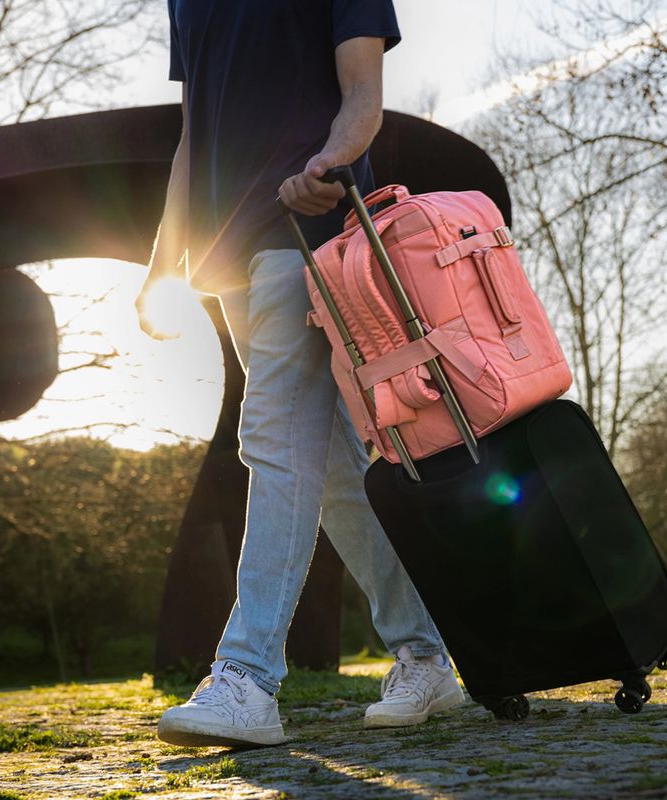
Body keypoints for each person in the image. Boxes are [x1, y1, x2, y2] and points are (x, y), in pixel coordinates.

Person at [137, 0, 464, 748]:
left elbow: (362, 94)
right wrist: (163, 262)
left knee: (274, 439)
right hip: (224, 255)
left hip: (305, 232)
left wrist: (329, 165)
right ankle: (425, 655)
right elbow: (194, 134)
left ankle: (248, 677)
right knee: (335, 469)